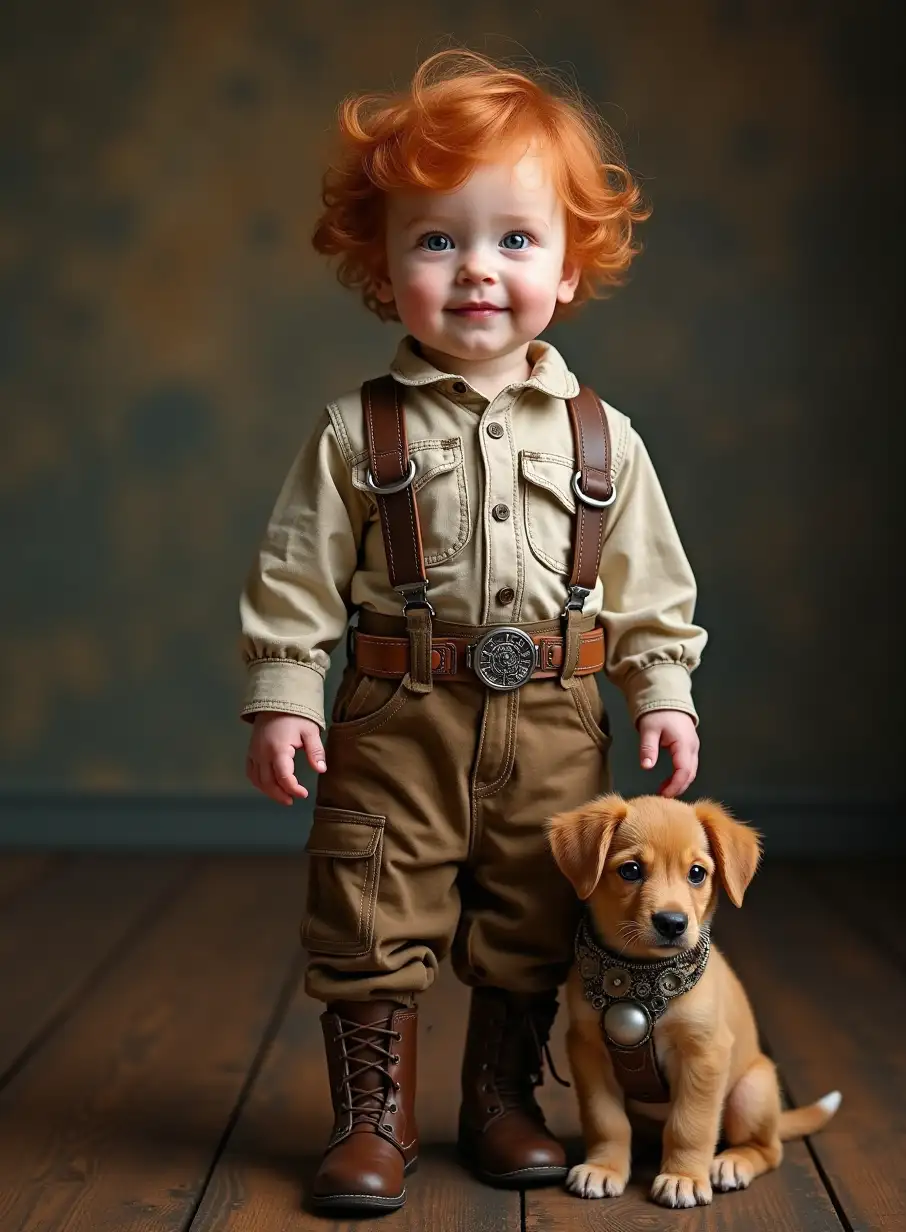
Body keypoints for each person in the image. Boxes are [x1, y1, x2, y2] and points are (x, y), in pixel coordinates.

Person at [239, 48, 707, 1215]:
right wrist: (287, 694)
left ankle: (500, 1095)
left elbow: (653, 588)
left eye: (513, 239)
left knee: (534, 907)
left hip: (555, 713)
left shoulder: (606, 439)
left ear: (569, 262)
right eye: (436, 241)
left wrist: (662, 691)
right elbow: (296, 573)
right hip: (398, 714)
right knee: (370, 902)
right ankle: (372, 1119)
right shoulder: (355, 432)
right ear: (381, 261)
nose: (476, 271)